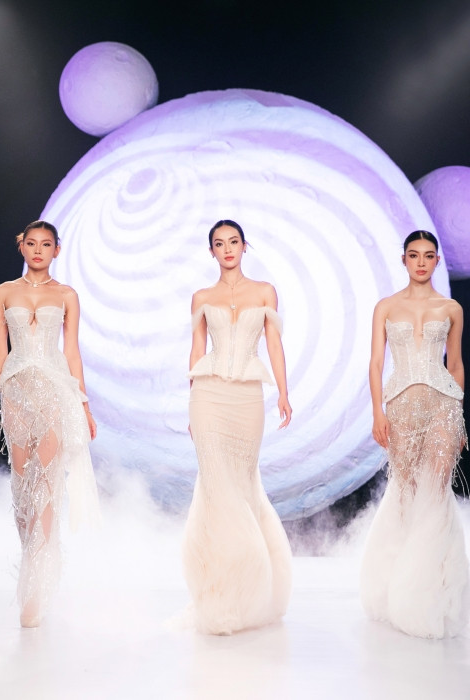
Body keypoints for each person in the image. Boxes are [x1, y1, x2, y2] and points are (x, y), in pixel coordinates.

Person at [0, 220, 101, 628]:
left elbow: (73, 353)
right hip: (16, 391)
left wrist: (84, 406)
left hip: (54, 391)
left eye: (45, 244)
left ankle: (37, 585)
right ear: (22, 247)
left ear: (56, 250)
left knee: (46, 486)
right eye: (31, 243)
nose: (38, 250)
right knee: (21, 486)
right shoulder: (4, 291)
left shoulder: (66, 295)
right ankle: (32, 563)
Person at [182, 219, 294, 635]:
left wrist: (283, 393)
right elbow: (197, 349)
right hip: (208, 396)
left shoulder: (265, 292)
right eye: (219, 243)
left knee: (243, 487)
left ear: (245, 246)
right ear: (211, 251)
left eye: (233, 241)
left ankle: (249, 590)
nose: (227, 248)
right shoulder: (201, 297)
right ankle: (218, 594)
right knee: (216, 488)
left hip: (247, 397)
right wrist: (191, 402)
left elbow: (274, 344)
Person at [360, 229, 470, 639]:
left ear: (437, 261)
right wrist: (377, 411)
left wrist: (460, 414)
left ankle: (433, 593)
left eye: (428, 255)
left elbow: (455, 364)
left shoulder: (452, 308)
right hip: (402, 405)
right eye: (413, 255)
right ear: (403, 259)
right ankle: (396, 587)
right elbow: (375, 363)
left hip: (443, 405)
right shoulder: (386, 307)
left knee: (436, 493)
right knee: (405, 493)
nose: (421, 262)